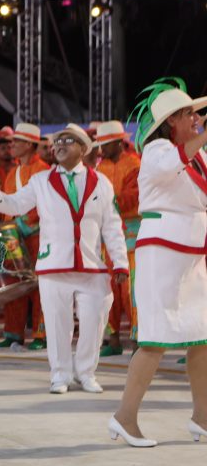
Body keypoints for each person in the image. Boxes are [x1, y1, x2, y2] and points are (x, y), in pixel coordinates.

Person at [0, 124, 129, 394]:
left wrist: (120, 262)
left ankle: (86, 373)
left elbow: (112, 226)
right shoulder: (41, 181)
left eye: (67, 141)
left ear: (83, 149)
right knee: (58, 323)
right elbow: (14, 205)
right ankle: (59, 375)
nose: (59, 145)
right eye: (57, 141)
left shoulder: (101, 182)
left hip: (92, 266)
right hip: (53, 265)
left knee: (95, 320)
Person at [110, 78, 207, 447]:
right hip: (163, 253)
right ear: (171, 122)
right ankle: (125, 417)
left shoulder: (197, 155)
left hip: (193, 256)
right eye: (190, 114)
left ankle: (202, 416)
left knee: (201, 335)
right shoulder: (158, 151)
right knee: (155, 337)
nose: (197, 119)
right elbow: (173, 165)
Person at [0, 123, 49, 350]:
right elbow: (8, 204)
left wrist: (23, 223)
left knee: (39, 285)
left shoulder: (44, 170)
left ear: (29, 144)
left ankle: (41, 333)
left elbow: (45, 205)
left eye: (16, 142)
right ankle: (13, 332)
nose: (12, 146)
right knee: (13, 283)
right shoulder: (13, 173)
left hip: (37, 235)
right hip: (14, 237)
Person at [94, 120, 141, 356]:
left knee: (131, 291)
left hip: (131, 237)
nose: (101, 149)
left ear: (117, 142)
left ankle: (137, 340)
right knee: (108, 288)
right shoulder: (99, 169)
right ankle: (113, 339)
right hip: (107, 238)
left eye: (105, 144)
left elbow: (133, 197)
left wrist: (105, 205)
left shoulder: (135, 164)